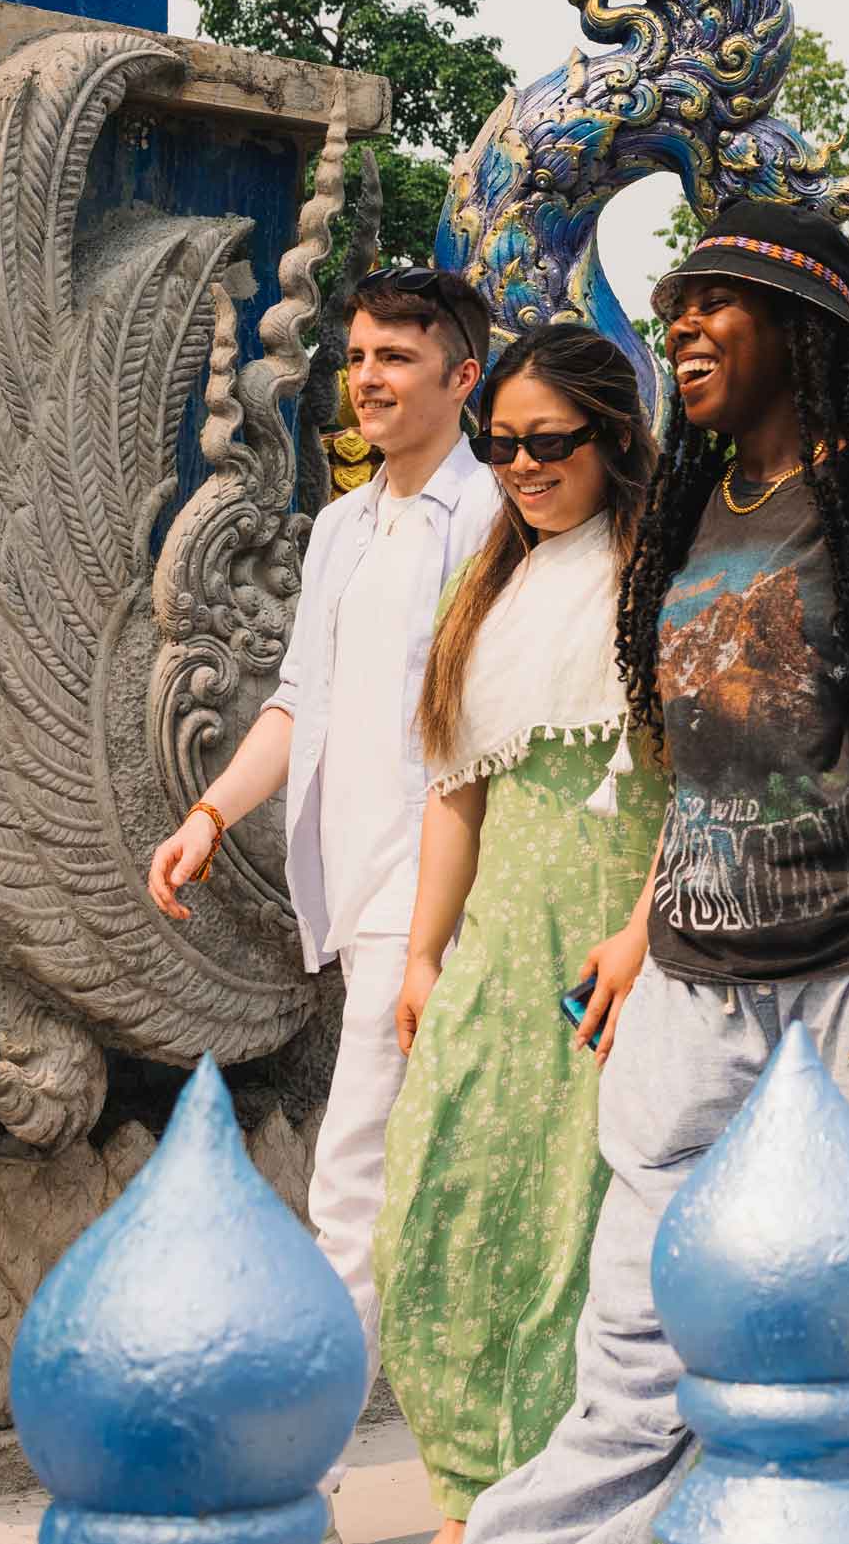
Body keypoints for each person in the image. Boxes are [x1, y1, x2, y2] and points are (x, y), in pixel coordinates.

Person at [464, 200, 849, 1544]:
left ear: (798, 321)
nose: (681, 325)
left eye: (714, 302)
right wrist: (643, 932)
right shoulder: (697, 504)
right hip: (695, 984)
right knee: (638, 1350)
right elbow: (705, 762)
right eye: (675, 302)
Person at [149, 263, 497, 1376]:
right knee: (418, 1173)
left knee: (352, 1175)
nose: (369, 379)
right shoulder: (344, 524)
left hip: (438, 891)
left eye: (396, 356)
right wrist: (209, 811)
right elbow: (302, 695)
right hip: (358, 894)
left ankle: (319, 1465)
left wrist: (437, 934)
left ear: (463, 375)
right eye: (357, 357)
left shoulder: (494, 516)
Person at [377, 327, 672, 1542]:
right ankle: (467, 1489)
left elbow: (710, 784)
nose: (520, 468)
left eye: (549, 444)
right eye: (501, 446)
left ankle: (561, 1502)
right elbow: (458, 789)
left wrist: (647, 935)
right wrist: (421, 952)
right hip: (496, 948)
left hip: (621, 958)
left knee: (578, 1232)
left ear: (615, 437)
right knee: (437, 1205)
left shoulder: (664, 577)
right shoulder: (484, 587)